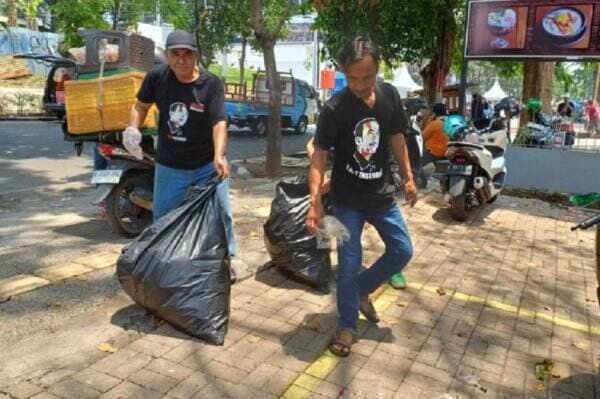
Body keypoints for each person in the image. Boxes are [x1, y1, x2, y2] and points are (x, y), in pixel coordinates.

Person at [306, 37, 416, 357]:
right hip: (346, 198)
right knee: (349, 262)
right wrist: (315, 202)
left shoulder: (390, 96)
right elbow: (319, 156)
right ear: (344, 73)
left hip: (381, 194)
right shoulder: (335, 108)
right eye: (352, 78)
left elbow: (397, 137)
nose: (359, 85)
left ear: (377, 70)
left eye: (366, 77)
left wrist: (409, 178)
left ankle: (360, 292)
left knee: (402, 250)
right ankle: (346, 325)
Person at [124, 30, 236, 257]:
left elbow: (219, 122)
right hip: (170, 165)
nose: (181, 60)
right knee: (164, 215)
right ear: (167, 55)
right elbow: (140, 105)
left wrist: (219, 155)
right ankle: (160, 259)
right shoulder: (157, 77)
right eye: (175, 54)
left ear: (196, 56)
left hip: (207, 165)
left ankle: (228, 259)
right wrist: (132, 128)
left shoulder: (211, 84)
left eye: (187, 54)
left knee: (222, 212)